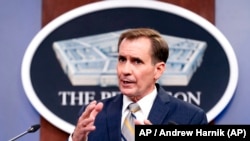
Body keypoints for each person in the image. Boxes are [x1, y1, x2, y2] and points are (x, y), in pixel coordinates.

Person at [69, 28, 208, 141]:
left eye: (137, 61)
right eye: (122, 60)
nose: (125, 70)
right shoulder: (94, 115)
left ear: (158, 70)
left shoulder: (190, 118)